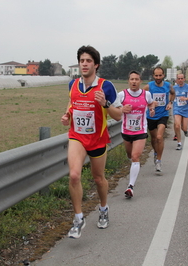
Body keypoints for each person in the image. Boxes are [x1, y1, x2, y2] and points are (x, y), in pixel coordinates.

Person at [61, 45, 122, 239]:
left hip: (97, 139)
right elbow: (72, 104)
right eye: (82, 61)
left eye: (88, 61)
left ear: (96, 64)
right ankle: (78, 219)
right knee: (74, 175)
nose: (84, 64)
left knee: (98, 178)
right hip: (77, 136)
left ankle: (103, 208)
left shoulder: (106, 86)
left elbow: (119, 115)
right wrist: (67, 115)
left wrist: (105, 103)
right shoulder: (72, 84)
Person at [118, 70, 155, 198]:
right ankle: (133, 168)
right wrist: (122, 109)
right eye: (132, 79)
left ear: (140, 81)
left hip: (140, 131)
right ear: (128, 81)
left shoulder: (146, 94)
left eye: (136, 79)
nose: (134, 81)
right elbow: (113, 109)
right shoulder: (122, 95)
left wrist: (151, 109)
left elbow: (151, 103)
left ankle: (130, 187)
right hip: (126, 131)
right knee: (130, 155)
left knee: (135, 156)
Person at [143, 67, 175, 174]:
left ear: (163, 75)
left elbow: (173, 93)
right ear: (153, 76)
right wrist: (150, 105)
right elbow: (141, 97)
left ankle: (159, 161)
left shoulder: (168, 86)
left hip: (163, 115)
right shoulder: (148, 86)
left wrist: (170, 103)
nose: (158, 77)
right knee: (153, 139)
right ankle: (156, 153)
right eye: (156, 75)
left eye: (160, 75)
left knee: (159, 137)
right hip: (151, 116)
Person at [173, 73, 188, 150]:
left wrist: (186, 99)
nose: (180, 80)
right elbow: (170, 96)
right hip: (177, 109)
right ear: (176, 80)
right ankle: (179, 143)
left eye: (181, 78)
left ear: (184, 79)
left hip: (186, 109)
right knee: (177, 125)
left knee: (185, 128)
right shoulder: (174, 88)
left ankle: (185, 131)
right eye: (178, 78)